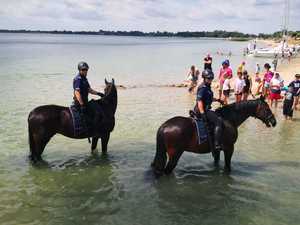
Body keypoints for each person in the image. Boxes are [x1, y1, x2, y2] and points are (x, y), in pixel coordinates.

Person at [194, 69, 223, 154]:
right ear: (204, 78)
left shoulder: (207, 87)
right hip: (202, 110)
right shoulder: (202, 88)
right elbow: (199, 101)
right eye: (208, 78)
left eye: (211, 78)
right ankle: (217, 144)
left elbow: (208, 99)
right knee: (218, 121)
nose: (210, 80)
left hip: (205, 109)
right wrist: (202, 113)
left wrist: (217, 100)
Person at [73, 61, 104, 127]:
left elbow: (89, 89)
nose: (85, 71)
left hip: (85, 102)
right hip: (79, 103)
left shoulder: (84, 79)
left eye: (86, 69)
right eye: (83, 70)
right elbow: (77, 92)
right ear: (79, 70)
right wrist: (81, 104)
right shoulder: (78, 79)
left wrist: (98, 93)